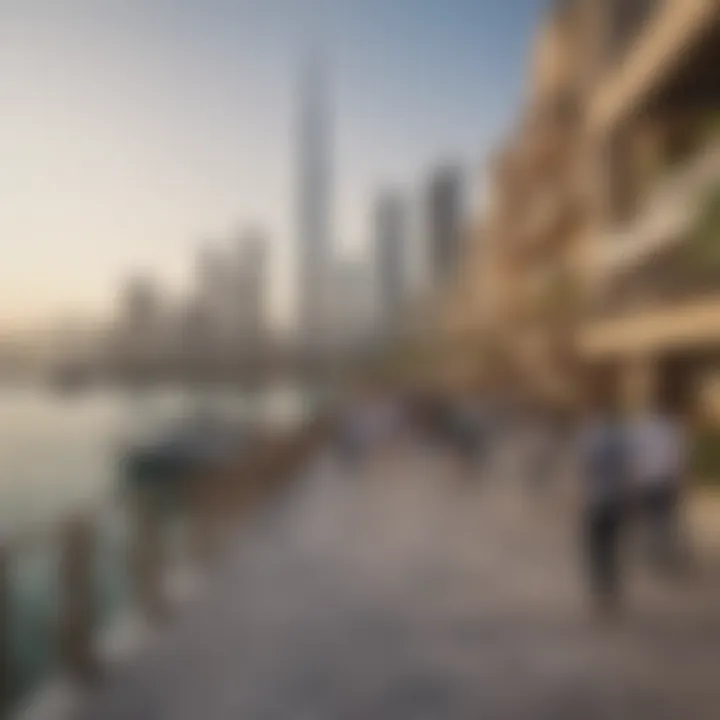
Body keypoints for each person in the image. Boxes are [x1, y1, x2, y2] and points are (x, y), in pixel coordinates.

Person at [579, 393, 629, 614]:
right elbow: (628, 468)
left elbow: (584, 468)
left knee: (597, 550)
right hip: (615, 500)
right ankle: (612, 590)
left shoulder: (591, 438)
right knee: (613, 549)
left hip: (596, 500)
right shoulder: (619, 439)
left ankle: (601, 592)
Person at [630, 400, 687, 572]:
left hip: (648, 482)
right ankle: (662, 553)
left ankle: (653, 552)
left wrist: (635, 481)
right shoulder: (673, 432)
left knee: (649, 519)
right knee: (664, 520)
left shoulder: (642, 432)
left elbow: (636, 459)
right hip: (666, 482)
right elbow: (678, 461)